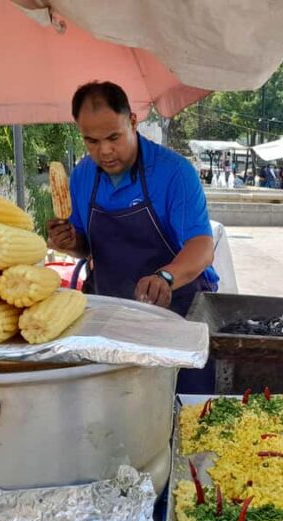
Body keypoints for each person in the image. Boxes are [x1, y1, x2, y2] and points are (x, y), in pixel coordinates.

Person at [46, 81, 218, 390]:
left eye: (114, 137)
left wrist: (165, 277)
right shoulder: (83, 176)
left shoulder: (174, 173)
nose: (104, 151)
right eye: (92, 141)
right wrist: (70, 242)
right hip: (112, 316)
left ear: (133, 122)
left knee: (184, 404)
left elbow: (202, 246)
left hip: (177, 313)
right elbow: (86, 247)